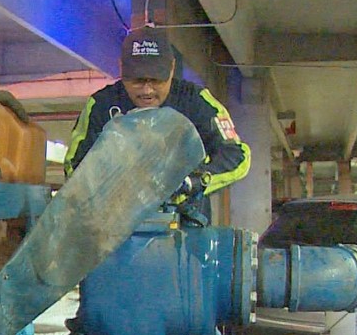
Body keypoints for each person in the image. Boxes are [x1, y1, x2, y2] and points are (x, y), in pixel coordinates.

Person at [63, 25, 250, 223]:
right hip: (117, 232)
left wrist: (194, 181)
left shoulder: (197, 101)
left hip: (188, 231)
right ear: (121, 68)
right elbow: (75, 166)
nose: (147, 90)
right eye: (137, 81)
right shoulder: (101, 105)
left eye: (156, 80)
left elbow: (238, 155)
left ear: (171, 69)